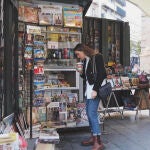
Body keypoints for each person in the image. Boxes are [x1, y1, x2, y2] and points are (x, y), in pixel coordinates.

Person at [74, 43, 106, 150]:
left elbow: (102, 74)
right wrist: (81, 72)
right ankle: (93, 137)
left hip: (94, 90)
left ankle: (98, 141)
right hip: (89, 90)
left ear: (83, 51)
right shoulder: (86, 60)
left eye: (78, 54)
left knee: (92, 114)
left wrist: (95, 90)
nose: (78, 56)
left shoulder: (97, 57)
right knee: (88, 113)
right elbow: (87, 77)